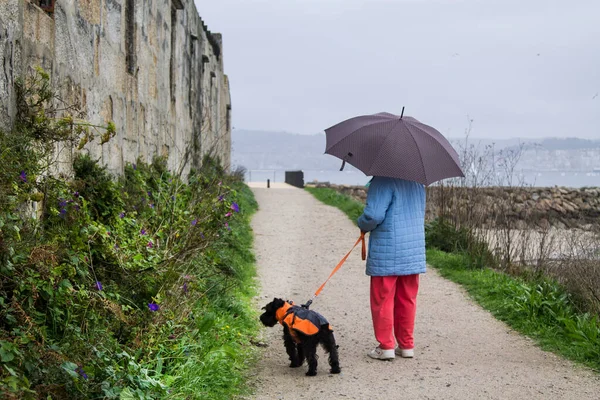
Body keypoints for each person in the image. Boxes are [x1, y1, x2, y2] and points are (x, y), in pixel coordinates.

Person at [357, 176, 426, 360]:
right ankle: (406, 345)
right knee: (407, 299)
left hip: (388, 249)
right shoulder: (417, 181)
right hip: (413, 249)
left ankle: (386, 346)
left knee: (383, 298)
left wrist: (362, 224)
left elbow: (373, 215)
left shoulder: (383, 180)